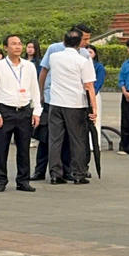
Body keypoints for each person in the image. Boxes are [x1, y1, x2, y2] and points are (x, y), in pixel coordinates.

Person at [34, 24, 92, 180]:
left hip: (57, 101)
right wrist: (40, 94)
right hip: (67, 101)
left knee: (57, 139)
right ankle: (74, 172)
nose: (86, 42)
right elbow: (44, 72)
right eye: (85, 39)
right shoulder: (54, 49)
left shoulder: (84, 53)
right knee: (70, 139)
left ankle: (59, 172)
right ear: (78, 39)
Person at [0, 35, 41, 193]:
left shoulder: (28, 66)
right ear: (5, 47)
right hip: (6, 110)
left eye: (19, 43)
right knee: (1, 148)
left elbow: (35, 90)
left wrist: (36, 111)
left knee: (24, 148)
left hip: (24, 110)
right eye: (13, 44)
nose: (17, 47)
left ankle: (23, 180)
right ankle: (0, 179)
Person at [46, 29, 97, 185]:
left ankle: (55, 173)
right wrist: (94, 109)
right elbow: (89, 86)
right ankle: (78, 173)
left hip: (55, 102)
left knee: (55, 140)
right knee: (78, 140)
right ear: (80, 43)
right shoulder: (83, 60)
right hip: (75, 104)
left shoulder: (54, 57)